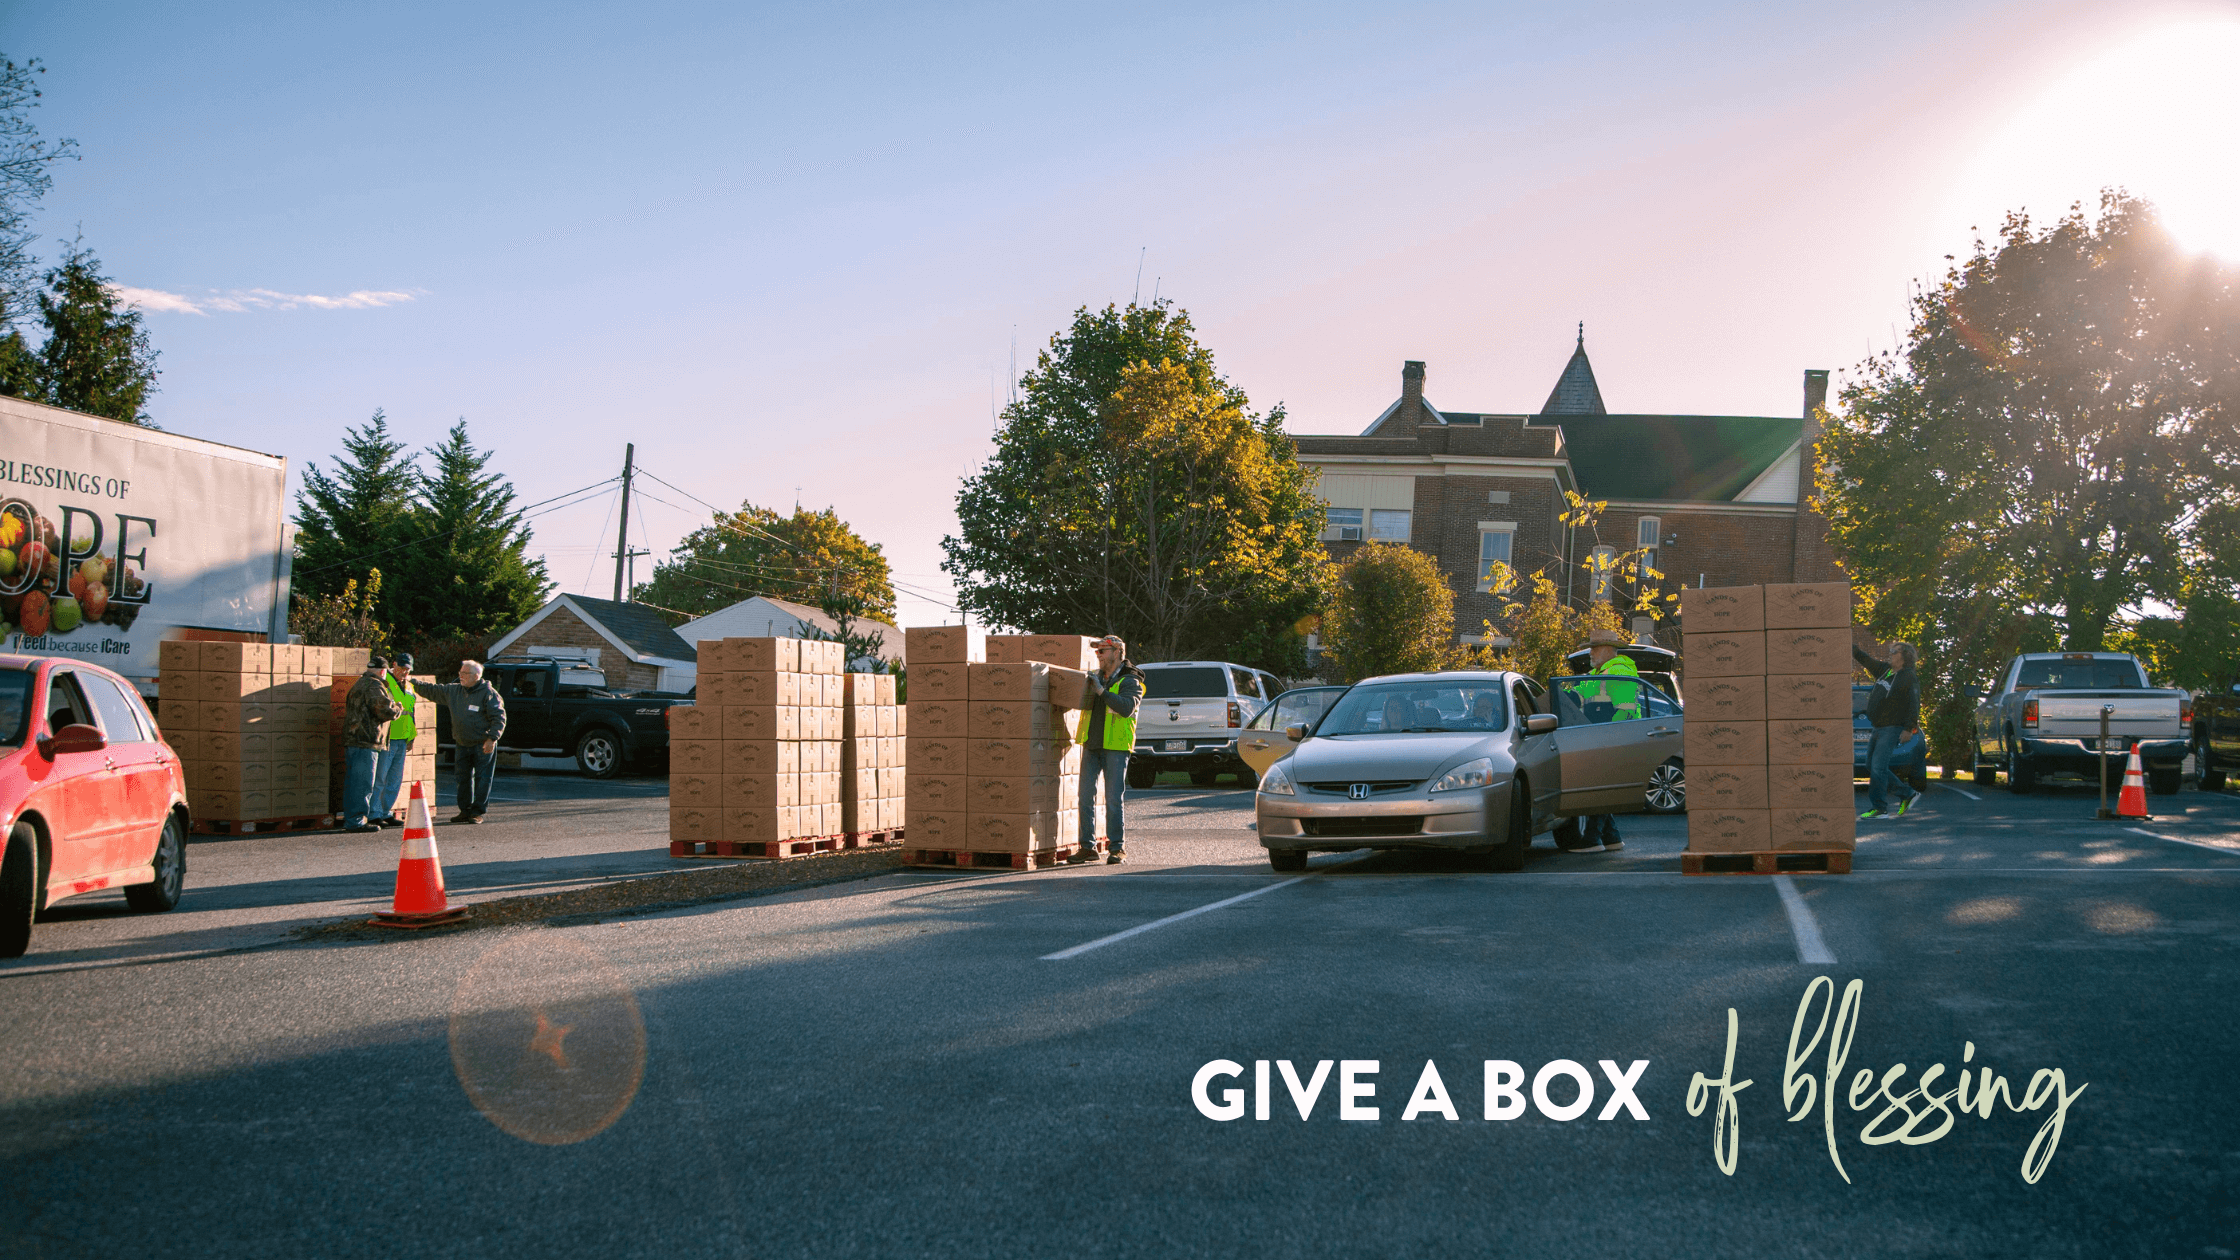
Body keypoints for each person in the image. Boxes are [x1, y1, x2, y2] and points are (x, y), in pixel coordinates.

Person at [1068, 635, 1147, 866]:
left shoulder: (1131, 680)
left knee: (1113, 799)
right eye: (1097, 651)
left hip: (1116, 747)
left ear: (1117, 652)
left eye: (1102, 651)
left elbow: (1126, 708)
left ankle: (1117, 848)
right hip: (1091, 744)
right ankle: (1087, 847)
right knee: (1084, 797)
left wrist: (1102, 692)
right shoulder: (1095, 678)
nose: (1098, 655)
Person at [414, 659, 507, 825]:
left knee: (483, 778)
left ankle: (477, 812)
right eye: (460, 673)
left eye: (464, 673)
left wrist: (492, 739)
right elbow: (432, 690)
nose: (460, 676)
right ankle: (464, 811)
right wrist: (412, 682)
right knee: (462, 778)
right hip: (462, 743)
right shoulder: (454, 690)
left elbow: (499, 718)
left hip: (482, 744)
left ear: (476, 676)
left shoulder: (489, 693)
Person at [1572, 629, 1639, 853]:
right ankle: (1612, 838)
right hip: (1598, 739)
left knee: (1598, 788)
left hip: (1610, 740)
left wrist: (1611, 739)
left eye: (1595, 648)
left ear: (1609, 650)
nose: (1590, 652)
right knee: (1600, 785)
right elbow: (1577, 694)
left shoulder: (1619, 672)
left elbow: (1625, 712)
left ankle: (1591, 839)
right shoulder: (1599, 673)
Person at [1854, 639, 1921, 820]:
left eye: (1894, 651)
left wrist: (1908, 728)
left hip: (1892, 728)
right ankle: (1907, 793)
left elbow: (1914, 704)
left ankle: (1879, 808)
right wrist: (1849, 645)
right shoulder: (1885, 671)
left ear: (1905, 657)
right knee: (1871, 765)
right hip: (1878, 727)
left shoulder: (1908, 676)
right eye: (1891, 651)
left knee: (1878, 767)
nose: (1890, 654)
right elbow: (1865, 659)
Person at [341, 655, 404, 834]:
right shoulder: (375, 685)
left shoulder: (360, 683)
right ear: (384, 671)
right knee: (363, 783)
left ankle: (353, 818)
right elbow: (385, 711)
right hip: (366, 741)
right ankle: (356, 821)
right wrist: (397, 708)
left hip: (355, 739)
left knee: (354, 782)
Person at [367, 652, 418, 828]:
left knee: (395, 779)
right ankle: (374, 813)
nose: (404, 672)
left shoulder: (409, 687)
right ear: (393, 665)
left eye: (407, 669)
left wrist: (412, 736)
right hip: (387, 737)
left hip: (402, 738)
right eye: (401, 668)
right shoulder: (384, 682)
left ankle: (386, 811)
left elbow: (411, 713)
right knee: (380, 778)